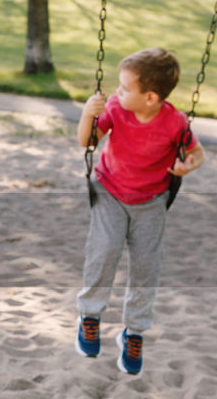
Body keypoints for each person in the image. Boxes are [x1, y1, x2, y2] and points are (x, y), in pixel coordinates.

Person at [74, 47, 204, 375]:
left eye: (124, 88)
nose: (117, 93)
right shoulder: (116, 109)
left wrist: (188, 165)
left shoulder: (174, 122)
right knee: (104, 251)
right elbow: (87, 142)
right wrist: (88, 113)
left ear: (150, 97)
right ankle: (90, 316)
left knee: (147, 266)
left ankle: (133, 332)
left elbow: (197, 152)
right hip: (110, 192)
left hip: (151, 202)